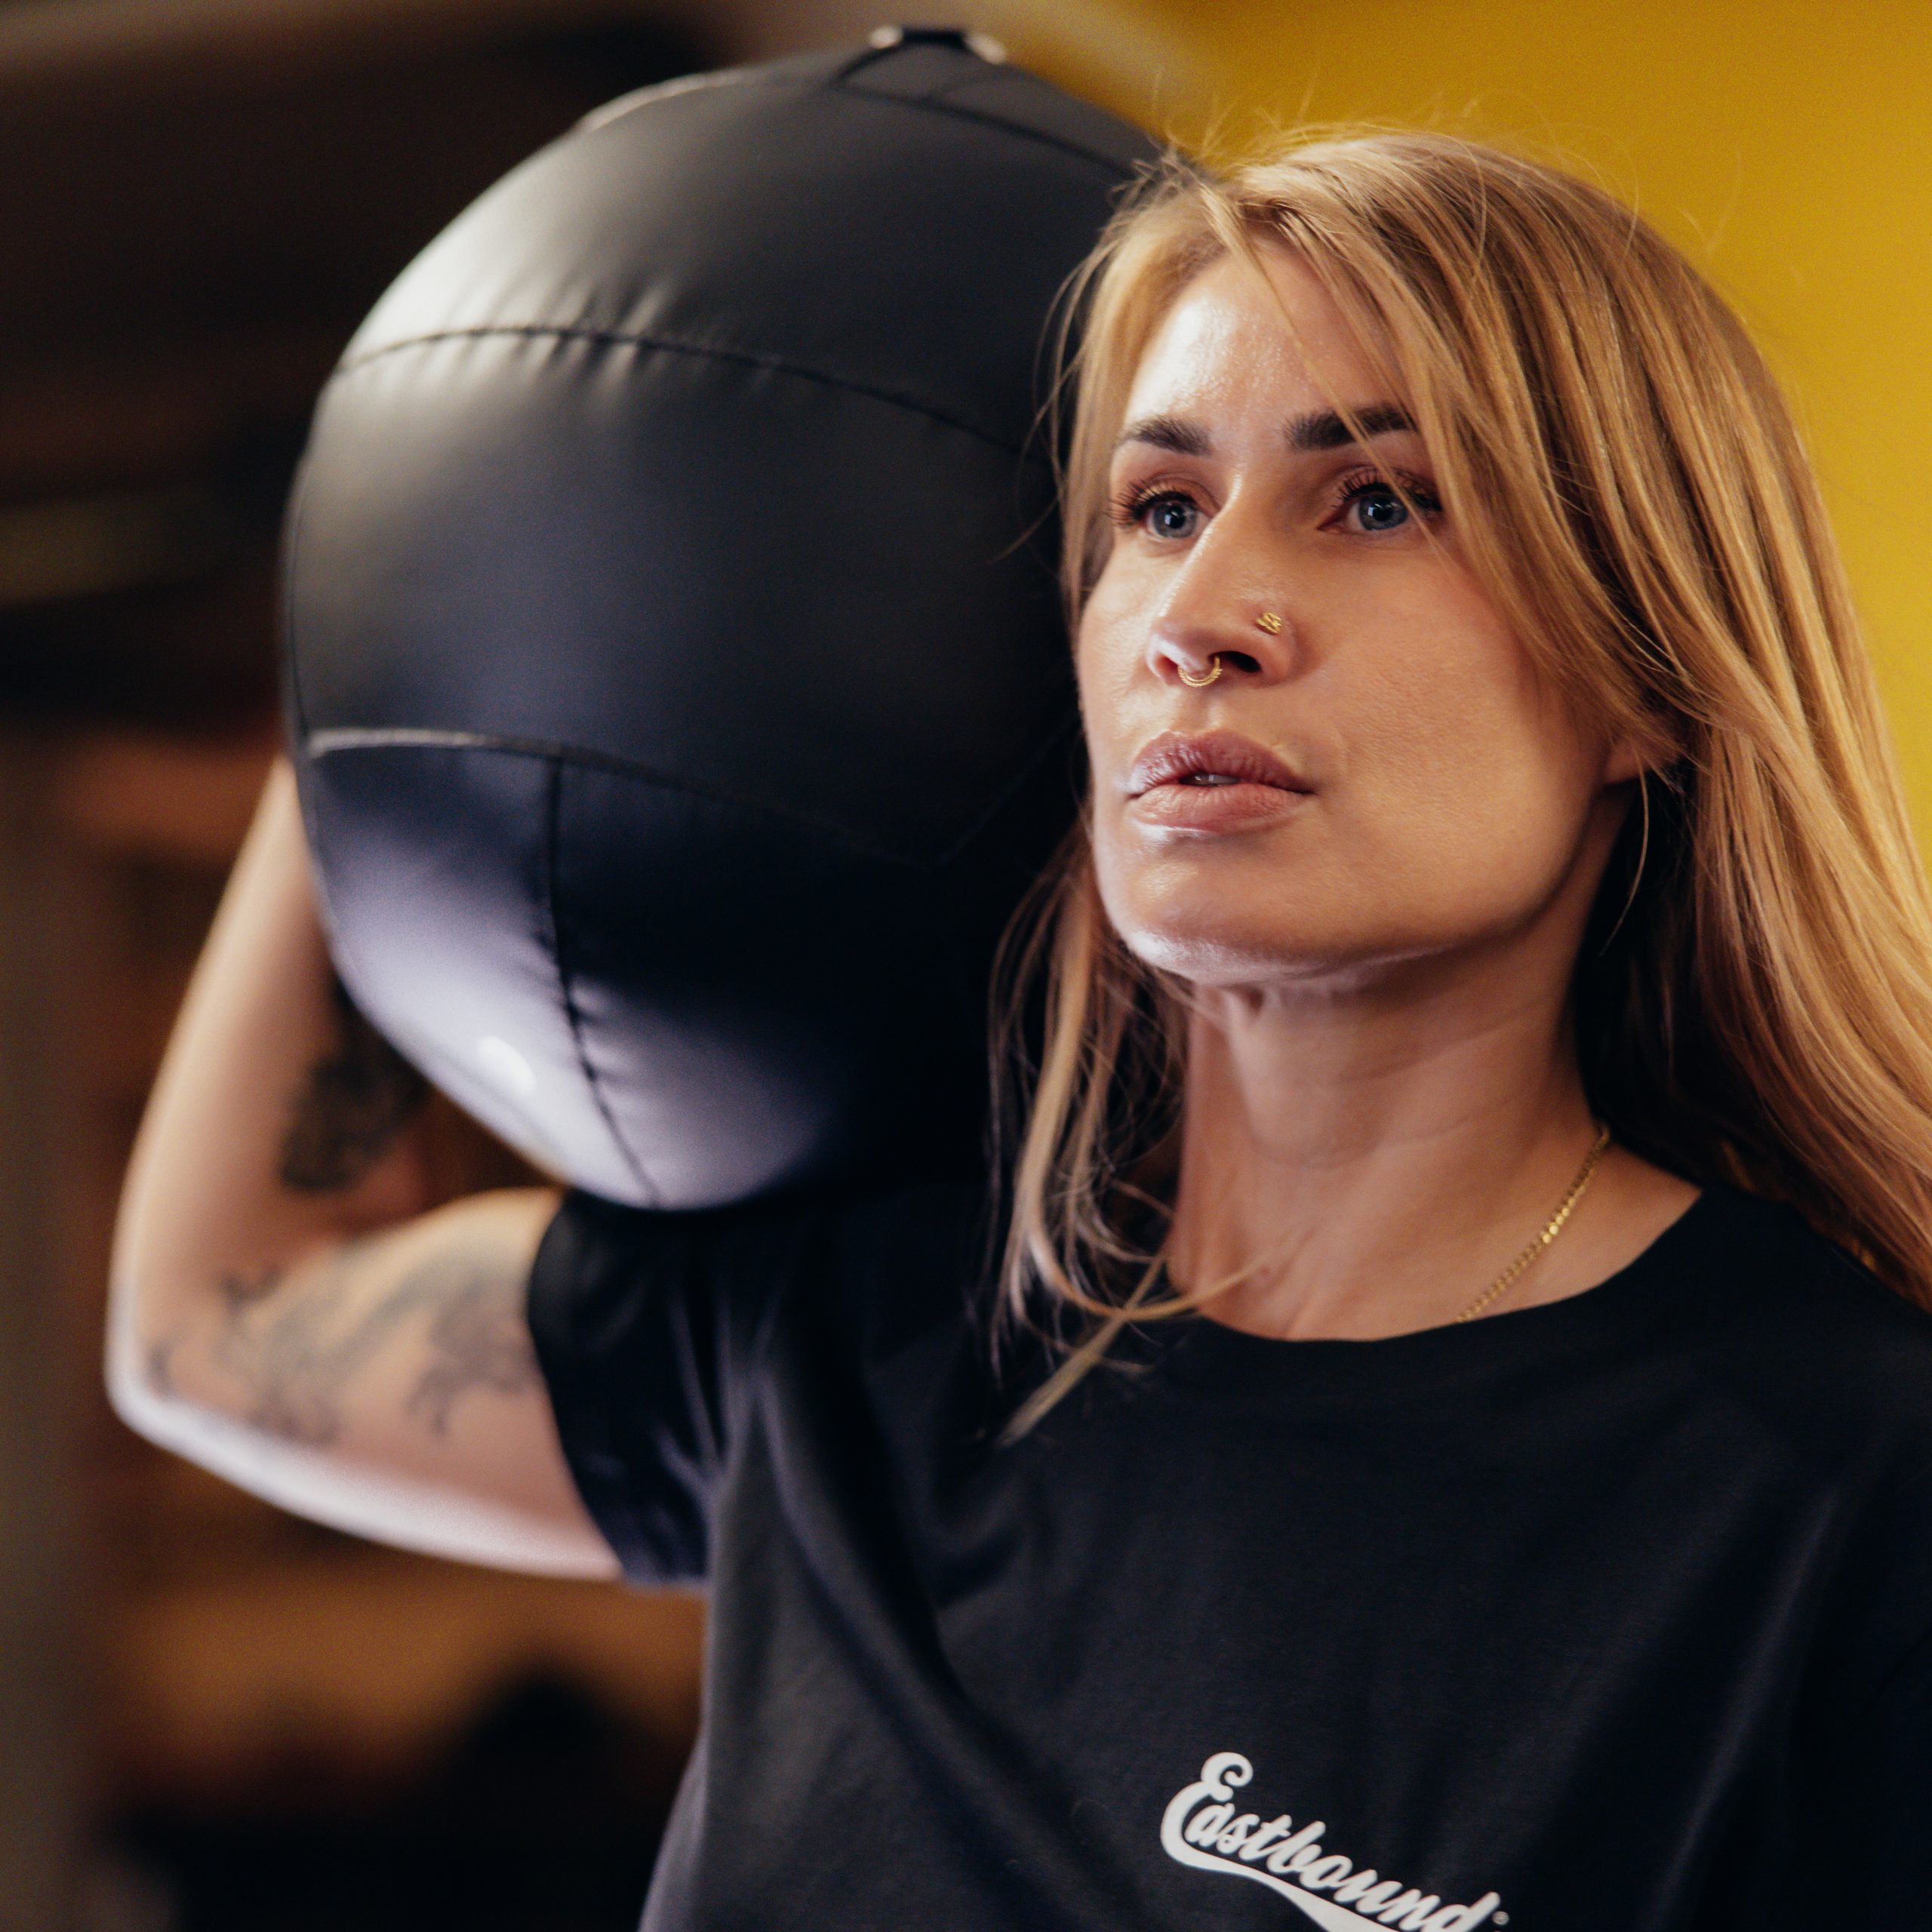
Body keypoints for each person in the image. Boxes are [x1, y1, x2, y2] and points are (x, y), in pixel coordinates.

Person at [109, 132, 1932, 1929]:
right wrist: (396, 642)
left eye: (1374, 497)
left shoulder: (1842, 1487)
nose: (1199, 616)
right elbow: (214, 1327)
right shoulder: (863, 1329)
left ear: (1642, 669)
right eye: (1155, 508)